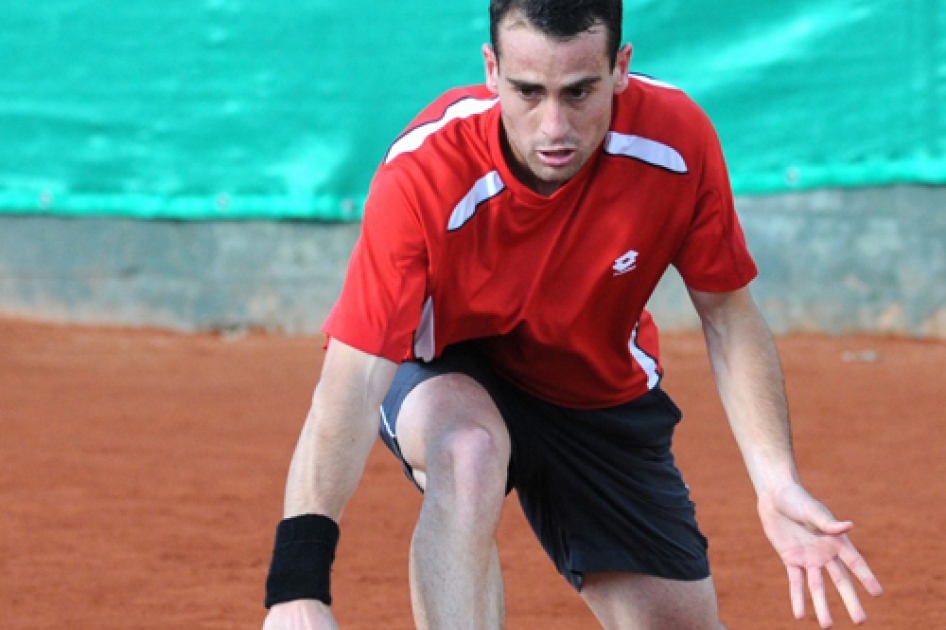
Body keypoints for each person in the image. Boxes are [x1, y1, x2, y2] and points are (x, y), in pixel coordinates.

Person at [262, 1, 883, 628]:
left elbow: (728, 315)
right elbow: (350, 382)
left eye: (579, 91)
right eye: (528, 92)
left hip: (589, 385)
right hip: (447, 364)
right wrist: (298, 586)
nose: (553, 126)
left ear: (620, 68)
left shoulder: (676, 140)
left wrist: (775, 480)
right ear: (491, 69)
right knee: (470, 453)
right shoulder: (425, 173)